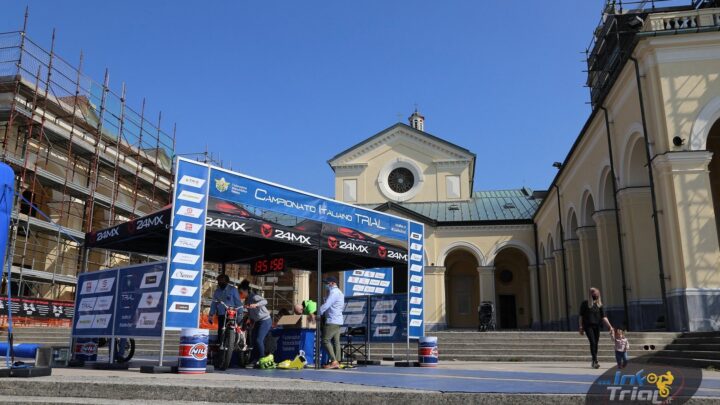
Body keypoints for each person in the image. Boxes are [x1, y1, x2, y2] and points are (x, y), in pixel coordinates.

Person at [238, 279, 272, 368]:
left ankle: (262, 358)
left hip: (265, 320)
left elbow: (265, 301)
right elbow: (250, 313)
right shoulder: (246, 300)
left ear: (246, 291)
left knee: (259, 340)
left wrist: (256, 305)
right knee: (253, 340)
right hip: (257, 321)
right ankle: (254, 359)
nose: (240, 295)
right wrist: (246, 321)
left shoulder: (254, 297)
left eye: (241, 293)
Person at [579, 287, 614, 369]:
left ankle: (594, 359)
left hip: (597, 326)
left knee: (596, 343)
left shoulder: (599, 305)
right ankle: (595, 360)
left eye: (597, 294)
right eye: (594, 293)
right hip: (588, 326)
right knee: (593, 342)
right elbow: (581, 316)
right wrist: (581, 326)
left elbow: (604, 317)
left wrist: (610, 326)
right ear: (590, 294)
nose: (596, 295)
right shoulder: (585, 304)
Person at [318, 276, 344, 369]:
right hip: (338, 320)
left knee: (325, 340)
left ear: (333, 283)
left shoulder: (334, 292)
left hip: (332, 320)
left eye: (327, 283)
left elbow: (327, 305)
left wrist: (317, 313)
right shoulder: (339, 292)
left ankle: (334, 361)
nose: (326, 285)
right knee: (336, 341)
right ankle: (337, 361)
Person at [208, 274, 242, 340]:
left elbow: (238, 302)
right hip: (221, 314)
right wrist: (211, 315)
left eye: (222, 281)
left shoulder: (233, 290)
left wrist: (240, 314)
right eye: (219, 281)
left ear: (227, 281)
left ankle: (231, 345)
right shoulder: (217, 291)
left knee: (231, 331)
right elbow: (214, 304)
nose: (220, 282)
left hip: (231, 314)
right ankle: (220, 346)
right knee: (220, 331)